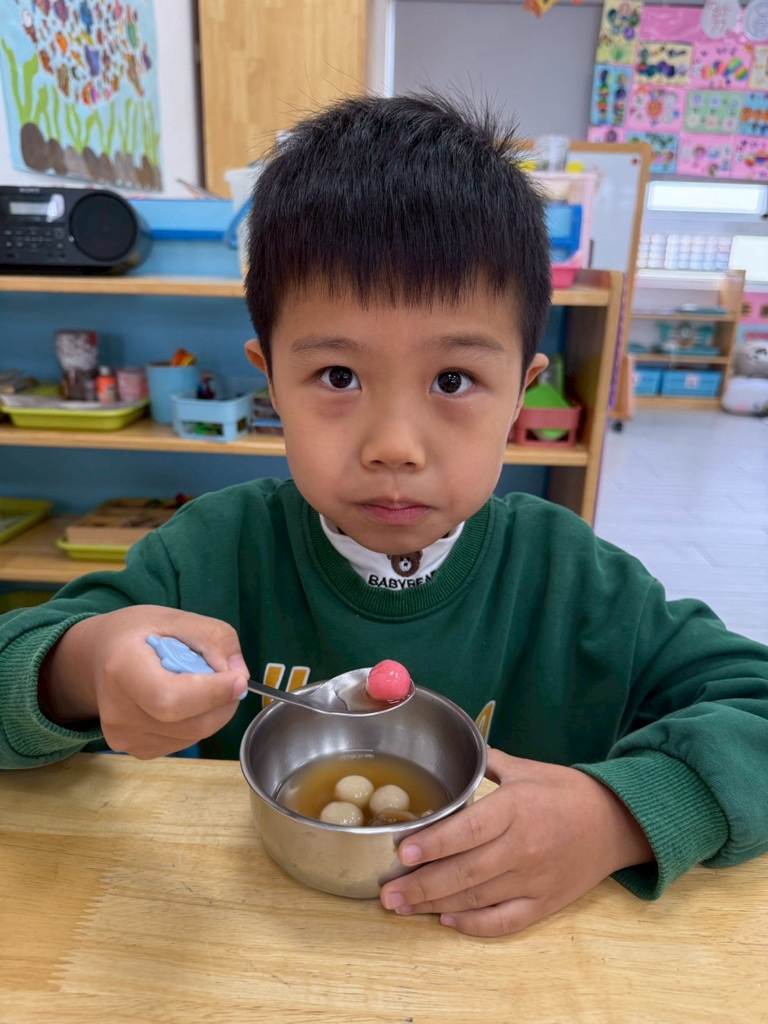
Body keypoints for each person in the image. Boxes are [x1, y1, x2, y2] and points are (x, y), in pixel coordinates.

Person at [1, 94, 767, 938]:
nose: (394, 446)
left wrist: (615, 817)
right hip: (253, 945)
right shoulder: (210, 555)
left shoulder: (576, 583)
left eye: (453, 381)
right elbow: (17, 671)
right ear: (270, 382)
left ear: (521, 391)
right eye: (338, 377)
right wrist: (81, 668)